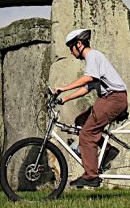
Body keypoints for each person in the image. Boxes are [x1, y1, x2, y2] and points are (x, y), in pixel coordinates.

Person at [54, 28, 126, 188]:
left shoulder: (92, 55)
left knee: (87, 134)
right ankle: (107, 150)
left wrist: (63, 88)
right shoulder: (94, 59)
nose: (71, 53)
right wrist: (64, 99)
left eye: (71, 48)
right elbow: (87, 87)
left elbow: (88, 78)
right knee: (80, 121)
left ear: (79, 44)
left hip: (114, 98)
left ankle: (91, 175)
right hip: (110, 98)